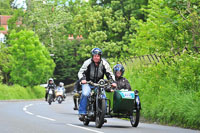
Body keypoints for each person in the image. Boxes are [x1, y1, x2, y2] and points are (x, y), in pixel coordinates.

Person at [78, 48, 116, 121]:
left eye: (98, 56)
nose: (96, 57)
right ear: (92, 56)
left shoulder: (104, 63)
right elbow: (81, 72)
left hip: (99, 83)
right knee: (85, 94)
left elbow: (109, 73)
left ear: (100, 56)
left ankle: (102, 115)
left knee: (103, 96)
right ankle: (82, 113)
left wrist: (112, 81)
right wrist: (83, 79)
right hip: (88, 83)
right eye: (95, 56)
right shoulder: (87, 62)